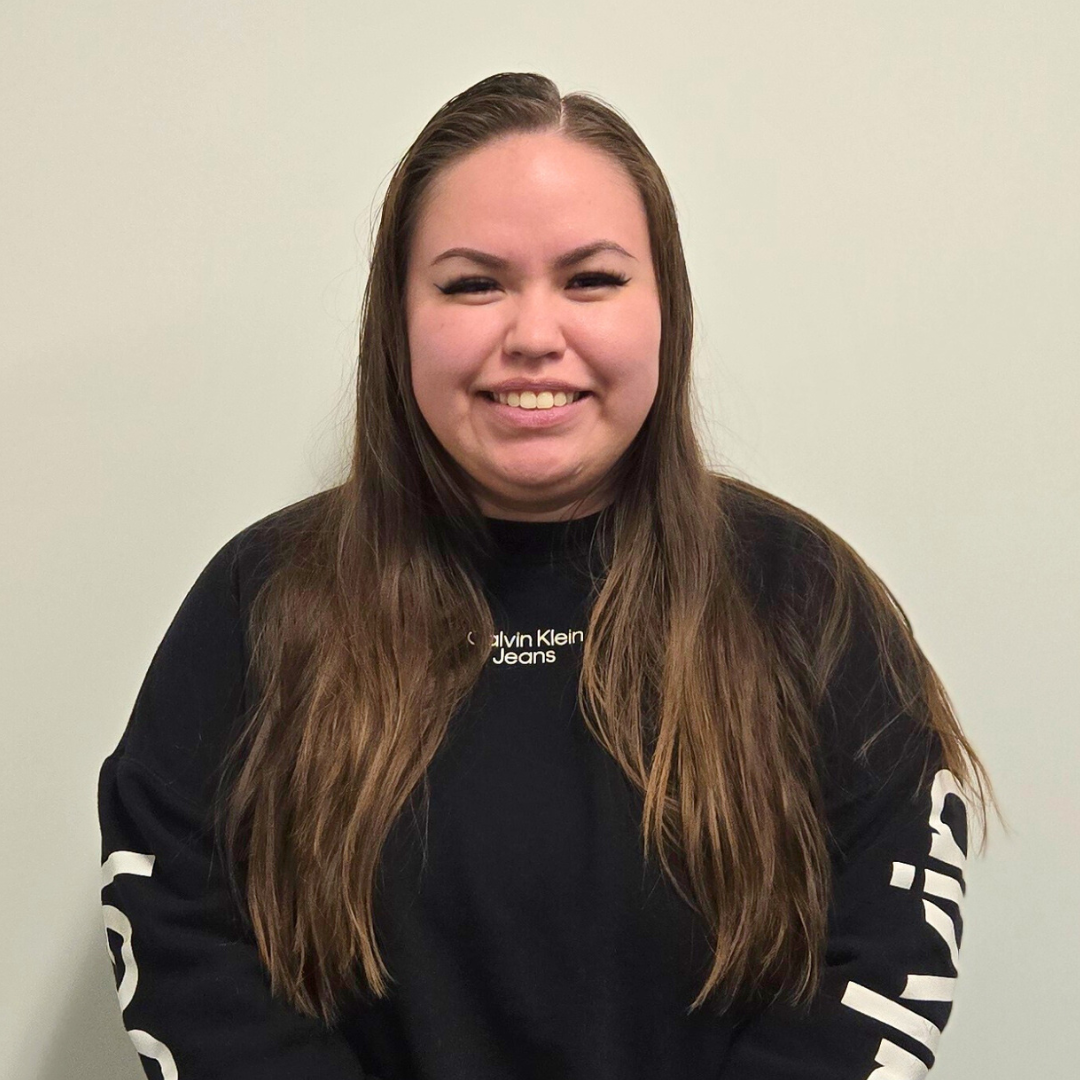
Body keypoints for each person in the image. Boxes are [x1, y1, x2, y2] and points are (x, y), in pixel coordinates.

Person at [98, 71, 998, 1080]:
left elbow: (882, 960)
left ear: (666, 310)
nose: (533, 336)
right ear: (397, 320)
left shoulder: (806, 597)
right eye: (472, 284)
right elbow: (184, 953)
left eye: (592, 280)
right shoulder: (260, 603)